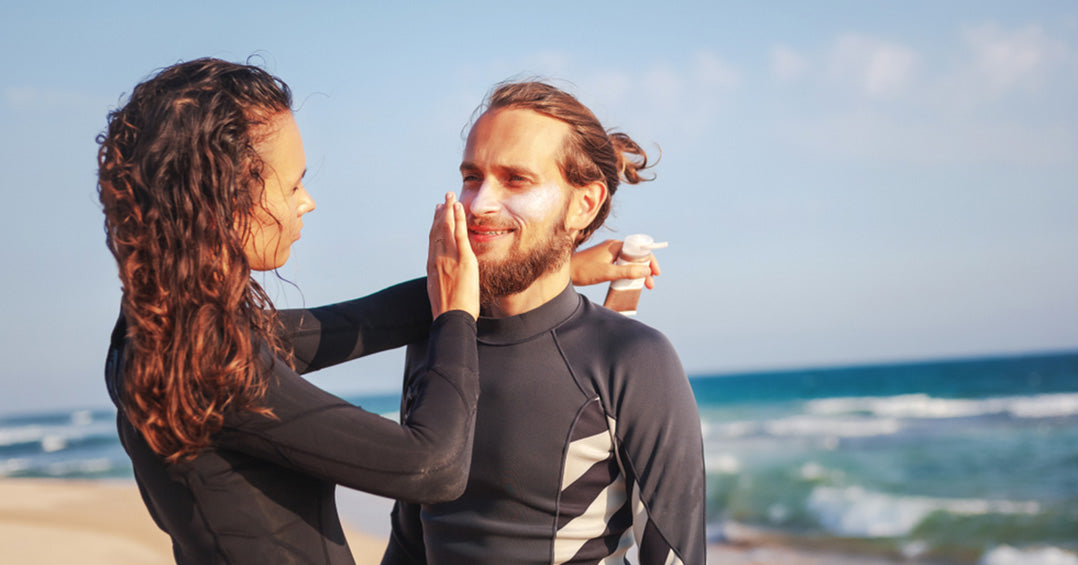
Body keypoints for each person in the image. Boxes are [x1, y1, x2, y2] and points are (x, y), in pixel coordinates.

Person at [98, 58, 482, 565]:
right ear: (227, 196)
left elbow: (358, 324)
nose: (307, 202)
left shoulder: (161, 332)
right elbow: (434, 468)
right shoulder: (205, 361)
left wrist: (537, 268)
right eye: (294, 184)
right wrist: (457, 322)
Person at [382, 81, 706, 565]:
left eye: (516, 179)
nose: (478, 205)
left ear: (584, 204)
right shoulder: (438, 341)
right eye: (472, 177)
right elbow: (409, 542)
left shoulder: (632, 360)